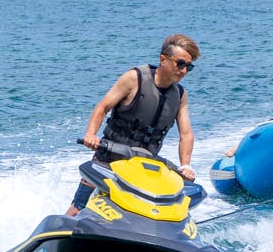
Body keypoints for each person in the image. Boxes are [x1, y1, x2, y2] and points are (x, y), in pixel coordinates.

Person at [65, 33, 201, 216]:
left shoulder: (180, 95)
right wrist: (91, 135)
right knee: (79, 207)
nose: (184, 71)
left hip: (144, 166)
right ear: (163, 59)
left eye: (189, 67)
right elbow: (102, 107)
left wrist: (186, 165)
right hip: (109, 158)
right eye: (180, 64)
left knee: (152, 213)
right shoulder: (134, 78)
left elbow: (186, 134)